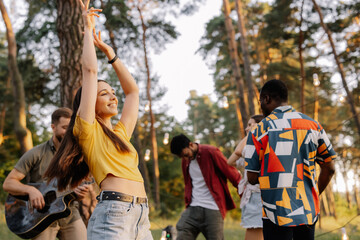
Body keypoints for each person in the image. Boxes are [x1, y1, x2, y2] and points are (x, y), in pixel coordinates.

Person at [44, 1, 153, 239]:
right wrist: (87, 28)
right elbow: (90, 72)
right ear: (90, 104)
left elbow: (133, 92)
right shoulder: (87, 130)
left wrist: (110, 54)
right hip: (114, 214)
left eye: (113, 92)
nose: (113, 95)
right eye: (104, 93)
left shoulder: (121, 134)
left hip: (141, 215)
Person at [245, 79, 336, 240]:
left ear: (266, 99)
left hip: (275, 212)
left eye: (260, 101)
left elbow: (251, 178)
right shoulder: (314, 126)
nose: (260, 105)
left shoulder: (259, 130)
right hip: (307, 211)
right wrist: (313, 193)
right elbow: (330, 168)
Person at [3, 107, 88, 240]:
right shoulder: (36, 153)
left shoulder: (78, 156)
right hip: (40, 218)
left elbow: (75, 189)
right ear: (53, 127)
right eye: (65, 127)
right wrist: (30, 190)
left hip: (70, 214)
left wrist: (78, 193)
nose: (69, 132)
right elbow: (8, 183)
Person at [170, 134, 241, 240]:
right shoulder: (185, 161)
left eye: (185, 154)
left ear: (191, 144)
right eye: (181, 157)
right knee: (182, 230)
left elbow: (230, 171)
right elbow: (188, 184)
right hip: (193, 208)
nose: (185, 158)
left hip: (213, 209)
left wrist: (243, 191)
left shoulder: (211, 152)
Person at [227, 114, 264, 240]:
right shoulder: (250, 149)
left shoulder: (262, 146)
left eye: (250, 125)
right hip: (252, 197)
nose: (247, 128)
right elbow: (230, 161)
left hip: (259, 196)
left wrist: (252, 134)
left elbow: (237, 151)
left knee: (255, 232)